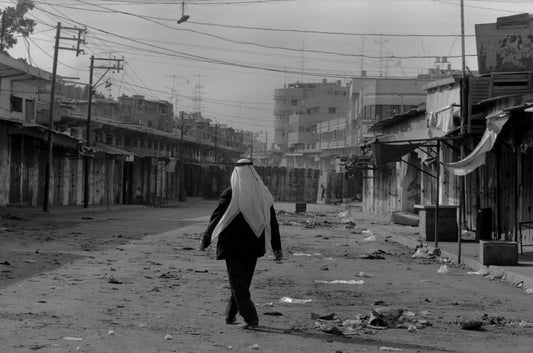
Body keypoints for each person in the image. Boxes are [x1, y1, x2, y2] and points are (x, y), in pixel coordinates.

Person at [200, 159, 283, 329]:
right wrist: (277, 247)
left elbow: (215, 218)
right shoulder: (263, 193)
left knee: (239, 284)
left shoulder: (230, 194)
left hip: (233, 247)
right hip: (253, 246)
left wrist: (205, 240)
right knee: (241, 284)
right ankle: (231, 315)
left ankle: (251, 318)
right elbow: (272, 223)